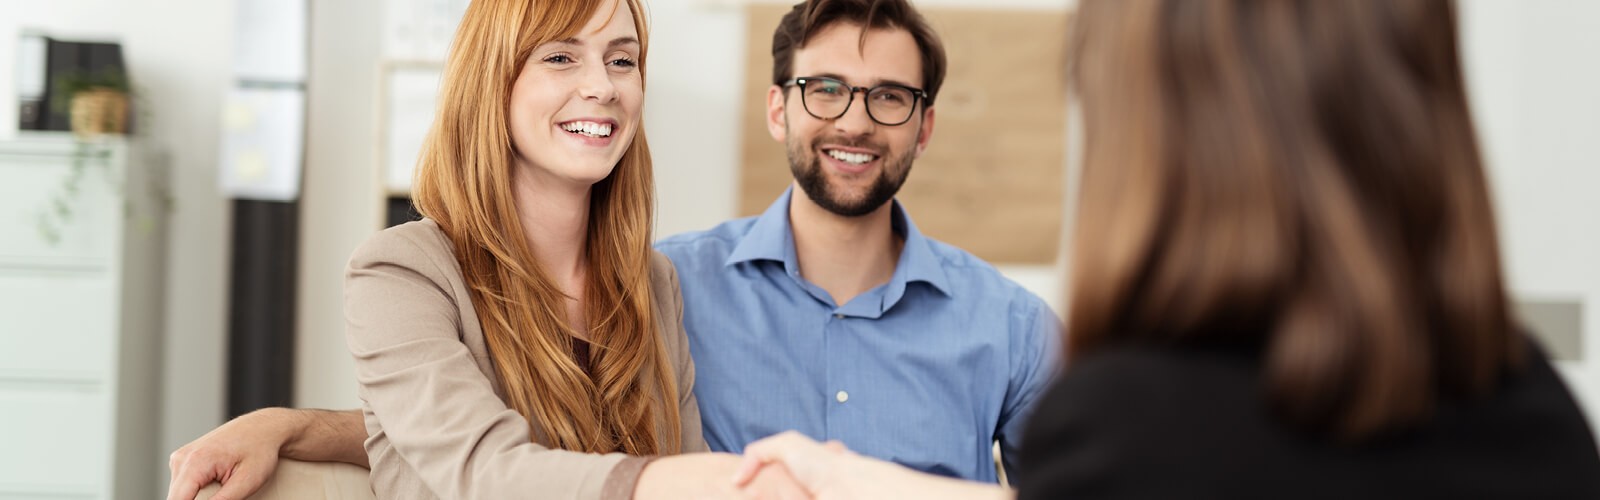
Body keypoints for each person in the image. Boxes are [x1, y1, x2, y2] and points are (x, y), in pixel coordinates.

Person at [167, 0, 1058, 497]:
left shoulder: (653, 284)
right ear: (779, 107)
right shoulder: (674, 280)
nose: (856, 121)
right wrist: (286, 425)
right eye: (560, 56)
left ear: (926, 124)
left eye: (622, 58)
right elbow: (484, 456)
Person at [729, 0, 1600, 498]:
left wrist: (837, 478)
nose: (852, 120)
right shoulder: (1541, 417)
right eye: (826, 89)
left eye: (885, 97)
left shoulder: (1116, 411)